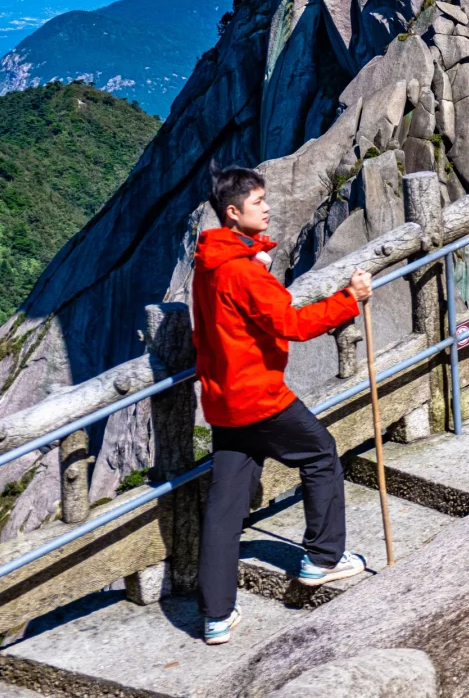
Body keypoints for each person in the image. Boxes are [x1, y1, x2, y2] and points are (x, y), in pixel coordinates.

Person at [193, 165, 373, 645]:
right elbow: (290, 324)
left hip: (224, 401)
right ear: (233, 213)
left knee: (225, 510)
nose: (267, 207)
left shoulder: (210, 264)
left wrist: (260, 262)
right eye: (257, 202)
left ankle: (215, 615)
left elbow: (230, 315)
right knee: (319, 454)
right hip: (260, 396)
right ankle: (323, 559)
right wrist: (348, 300)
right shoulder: (241, 272)